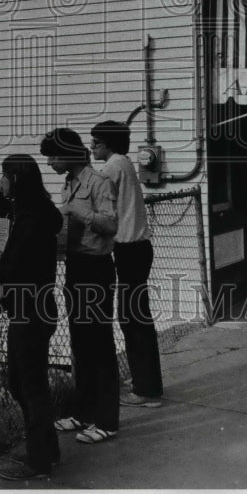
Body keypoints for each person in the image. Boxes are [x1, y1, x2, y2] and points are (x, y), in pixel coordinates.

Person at [0, 154, 64, 481]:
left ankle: (39, 461)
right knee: (28, 384)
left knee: (27, 386)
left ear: (15, 179)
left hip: (29, 310)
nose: (1, 179)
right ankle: (48, 450)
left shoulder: (31, 219)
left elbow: (17, 266)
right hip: (36, 307)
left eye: (4, 176)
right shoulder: (34, 210)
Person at [40, 127, 120, 445]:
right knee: (80, 343)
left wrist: (78, 212)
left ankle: (107, 421)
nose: (49, 163)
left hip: (96, 268)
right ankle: (84, 413)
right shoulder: (69, 184)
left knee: (99, 344)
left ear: (69, 154)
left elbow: (111, 225)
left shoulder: (99, 182)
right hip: (75, 266)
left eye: (53, 157)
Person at [91, 120, 163, 407]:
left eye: (95, 143)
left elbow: (95, 198)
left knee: (133, 319)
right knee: (136, 318)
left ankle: (147, 391)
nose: (91, 147)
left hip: (129, 249)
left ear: (108, 144)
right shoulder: (124, 163)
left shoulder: (113, 166)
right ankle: (146, 381)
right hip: (137, 248)